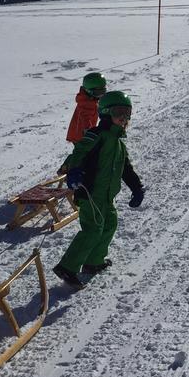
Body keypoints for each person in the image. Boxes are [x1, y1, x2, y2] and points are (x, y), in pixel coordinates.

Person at [53, 90, 144, 289]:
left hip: (106, 197)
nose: (124, 118)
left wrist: (137, 188)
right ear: (105, 112)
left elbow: (126, 169)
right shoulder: (96, 135)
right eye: (119, 112)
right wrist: (74, 171)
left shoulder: (119, 145)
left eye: (127, 113)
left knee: (110, 224)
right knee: (93, 229)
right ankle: (67, 267)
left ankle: (94, 261)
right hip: (90, 193)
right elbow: (78, 153)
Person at [66, 72, 107, 145]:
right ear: (89, 91)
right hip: (80, 136)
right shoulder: (86, 103)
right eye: (99, 92)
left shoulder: (92, 99)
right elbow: (85, 117)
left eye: (103, 91)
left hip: (84, 133)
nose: (101, 95)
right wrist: (89, 131)